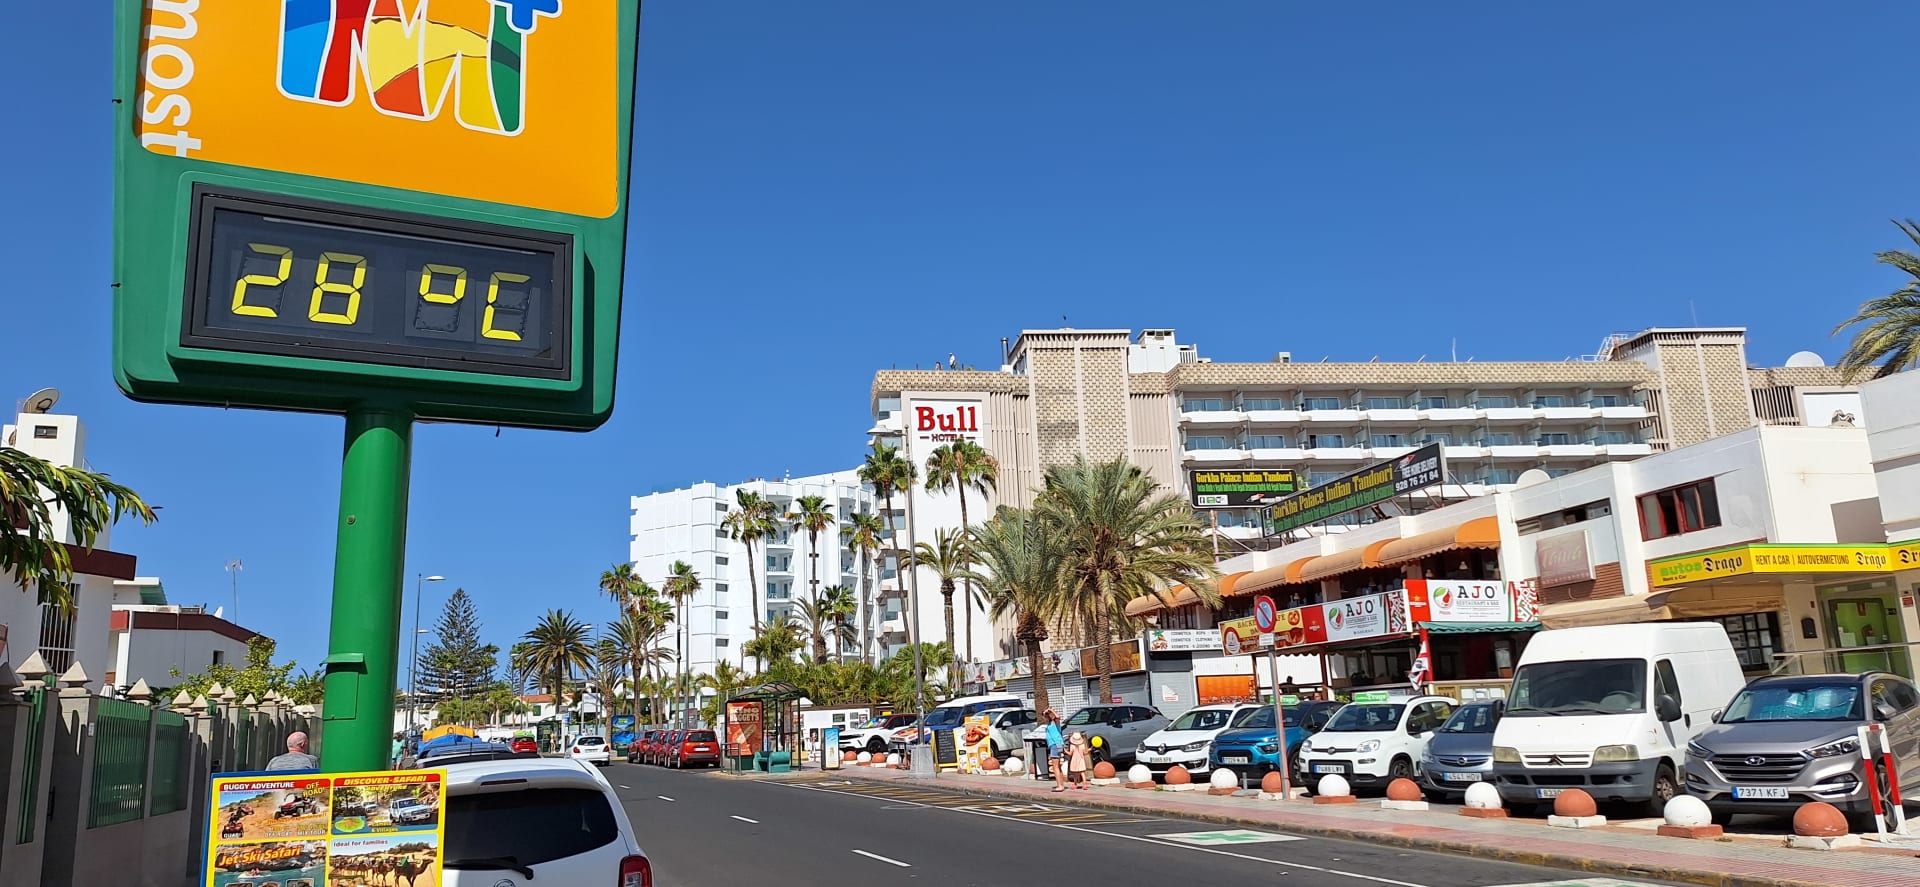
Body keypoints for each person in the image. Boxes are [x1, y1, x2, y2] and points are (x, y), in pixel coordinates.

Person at [1043, 709, 1067, 793]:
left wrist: (1051, 710)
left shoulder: (1055, 722)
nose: (1046, 716)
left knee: (1055, 766)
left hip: (1055, 745)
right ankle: (1061, 784)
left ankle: (1060, 786)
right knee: (1058, 766)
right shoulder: (1049, 724)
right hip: (1056, 745)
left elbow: (1058, 717)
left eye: (1047, 715)